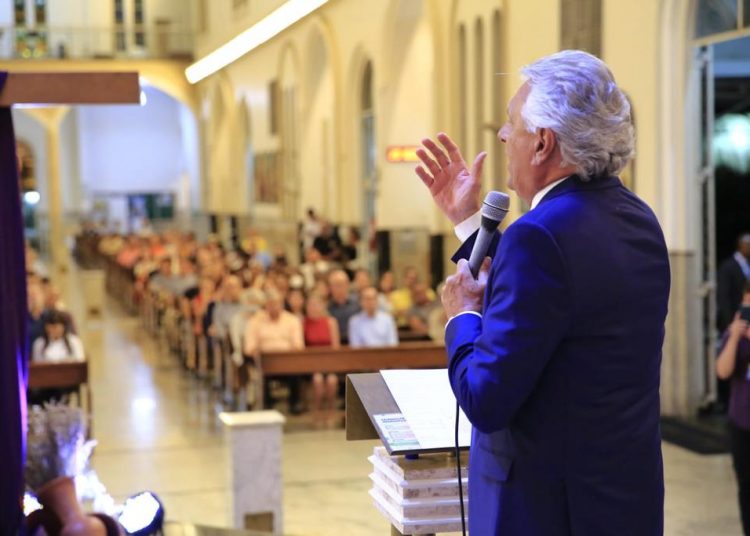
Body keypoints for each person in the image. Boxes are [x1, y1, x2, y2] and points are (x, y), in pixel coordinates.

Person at [416, 50, 670, 535]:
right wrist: (470, 223)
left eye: (513, 124)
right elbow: (548, 309)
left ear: (542, 144)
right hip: (622, 500)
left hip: (544, 509)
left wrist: (460, 318)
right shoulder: (639, 219)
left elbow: (486, 399)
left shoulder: (540, 236)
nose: (503, 134)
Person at [716, 281, 750, 535]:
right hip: (742, 423)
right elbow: (723, 371)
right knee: (746, 487)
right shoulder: (735, 336)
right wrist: (736, 335)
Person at [303, 293, 341, 416]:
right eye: (311, 305)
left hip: (329, 362)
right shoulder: (303, 323)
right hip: (311, 363)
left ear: (323, 306)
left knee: (332, 380)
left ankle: (330, 411)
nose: (314, 308)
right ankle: (317, 411)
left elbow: (336, 347)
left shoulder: (331, 322)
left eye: (316, 305)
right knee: (318, 379)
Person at [718, 234, 750, 332]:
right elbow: (723, 295)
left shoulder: (748, 263)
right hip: (735, 317)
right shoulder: (728, 266)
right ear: (741, 245)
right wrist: (729, 322)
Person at [327, 270, 360, 344]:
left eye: (341, 284)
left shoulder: (358, 304)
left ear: (348, 285)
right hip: (335, 346)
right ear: (330, 287)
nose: (339, 288)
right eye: (336, 285)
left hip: (356, 344)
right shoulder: (326, 308)